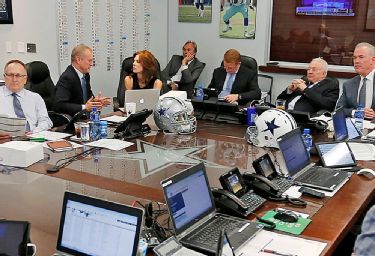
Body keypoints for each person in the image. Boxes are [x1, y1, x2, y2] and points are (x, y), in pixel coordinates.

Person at [54, 44, 111, 117]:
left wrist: (95, 102)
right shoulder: (67, 77)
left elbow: (87, 96)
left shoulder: (86, 75)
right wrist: (84, 107)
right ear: (78, 60)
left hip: (85, 119)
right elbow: (59, 105)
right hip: (72, 121)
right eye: (89, 61)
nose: (91, 64)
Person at [0, 60, 52, 133]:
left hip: (33, 138)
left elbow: (45, 121)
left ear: (25, 79)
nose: (14, 79)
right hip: (6, 140)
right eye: (10, 75)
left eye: (18, 75)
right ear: (5, 77)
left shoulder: (35, 98)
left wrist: (34, 133)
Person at [336, 42, 375, 118]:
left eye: (361, 57)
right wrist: (356, 113)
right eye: (354, 58)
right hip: (355, 126)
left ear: (373, 60)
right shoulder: (349, 84)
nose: (356, 61)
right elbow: (338, 110)